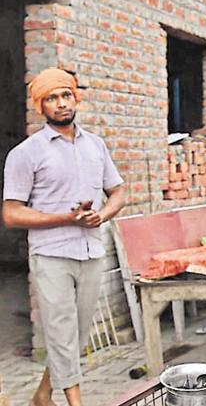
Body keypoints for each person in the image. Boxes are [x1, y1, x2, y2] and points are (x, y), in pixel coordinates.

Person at [2, 68, 126, 406]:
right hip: (51, 255)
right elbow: (11, 213)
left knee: (74, 337)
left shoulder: (96, 146)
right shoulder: (25, 153)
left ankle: (43, 395)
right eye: (52, 98)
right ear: (40, 106)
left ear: (76, 98)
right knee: (59, 334)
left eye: (66, 95)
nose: (61, 103)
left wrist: (102, 214)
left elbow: (117, 192)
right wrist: (66, 219)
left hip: (91, 253)